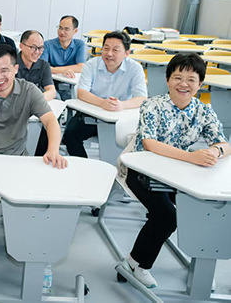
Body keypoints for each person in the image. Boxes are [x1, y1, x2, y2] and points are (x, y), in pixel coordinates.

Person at [125, 53, 229, 288]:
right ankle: (136, 263)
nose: (184, 84)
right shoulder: (152, 105)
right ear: (168, 79)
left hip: (179, 173)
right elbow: (149, 143)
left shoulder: (203, 110)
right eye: (178, 77)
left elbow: (224, 143)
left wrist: (215, 151)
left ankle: (201, 264)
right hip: (142, 171)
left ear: (200, 84)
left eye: (191, 79)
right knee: (167, 216)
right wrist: (192, 157)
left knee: (205, 209)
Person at [0, 44, 66, 251]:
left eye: (4, 70)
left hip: (17, 158)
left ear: (16, 69)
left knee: (37, 194)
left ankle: (25, 229)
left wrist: (53, 149)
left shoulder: (29, 90)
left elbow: (51, 121)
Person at [63, 31, 147, 158]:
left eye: (115, 50)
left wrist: (122, 105)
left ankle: (121, 167)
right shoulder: (91, 64)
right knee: (70, 135)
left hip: (122, 117)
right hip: (92, 113)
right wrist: (102, 103)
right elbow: (82, 92)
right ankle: (85, 165)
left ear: (127, 53)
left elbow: (141, 98)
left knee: (139, 141)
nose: (109, 54)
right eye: (106, 48)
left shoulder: (135, 68)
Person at [17, 30, 56, 156]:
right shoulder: (11, 63)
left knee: (44, 134)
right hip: (13, 110)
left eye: (40, 48)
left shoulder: (43, 65)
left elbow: (51, 91)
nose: (37, 52)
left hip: (33, 109)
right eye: (33, 47)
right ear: (21, 46)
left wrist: (36, 99)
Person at [41, 15, 86, 101]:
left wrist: (54, 69)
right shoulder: (47, 45)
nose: (62, 32)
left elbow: (81, 67)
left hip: (69, 84)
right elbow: (43, 67)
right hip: (50, 83)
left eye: (66, 29)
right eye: (60, 28)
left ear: (75, 31)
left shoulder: (79, 44)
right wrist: (61, 71)